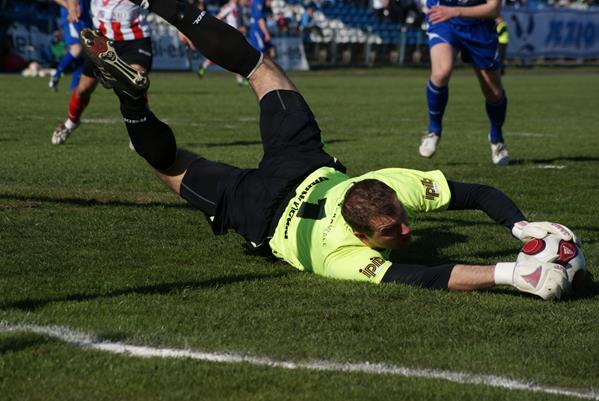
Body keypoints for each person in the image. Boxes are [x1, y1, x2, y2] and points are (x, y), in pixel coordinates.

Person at [82, 0, 576, 301]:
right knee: (169, 161)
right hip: (267, 212)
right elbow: (426, 277)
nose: (407, 230)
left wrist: (521, 227)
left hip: (302, 167)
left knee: (256, 71)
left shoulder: (388, 188)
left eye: (400, 220)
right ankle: (134, 99)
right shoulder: (340, 253)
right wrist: (512, 273)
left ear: (379, 190)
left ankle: (145, 59)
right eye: (391, 231)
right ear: (359, 234)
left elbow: (476, 194)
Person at [419, 0, 510, 165]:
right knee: (441, 72)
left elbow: (493, 9)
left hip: (479, 26)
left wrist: (455, 11)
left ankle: (496, 138)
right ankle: (433, 131)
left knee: (494, 93)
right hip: (443, 20)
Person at [51, 0, 152, 146]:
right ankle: (70, 123)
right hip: (102, 40)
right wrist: (72, 6)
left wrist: (181, 26)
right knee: (83, 89)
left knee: (135, 82)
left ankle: (139, 130)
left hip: (135, 39)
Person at [194, 0, 245, 86]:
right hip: (229, 36)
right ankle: (240, 80)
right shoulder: (229, 7)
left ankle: (204, 65)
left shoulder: (239, 7)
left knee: (229, 57)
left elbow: (240, 21)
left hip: (236, 36)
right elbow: (218, 18)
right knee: (234, 57)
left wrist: (242, 27)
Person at [48, 0, 92, 93]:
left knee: (84, 53)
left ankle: (74, 89)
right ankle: (56, 75)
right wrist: (71, 7)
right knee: (77, 48)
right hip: (71, 15)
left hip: (85, 15)